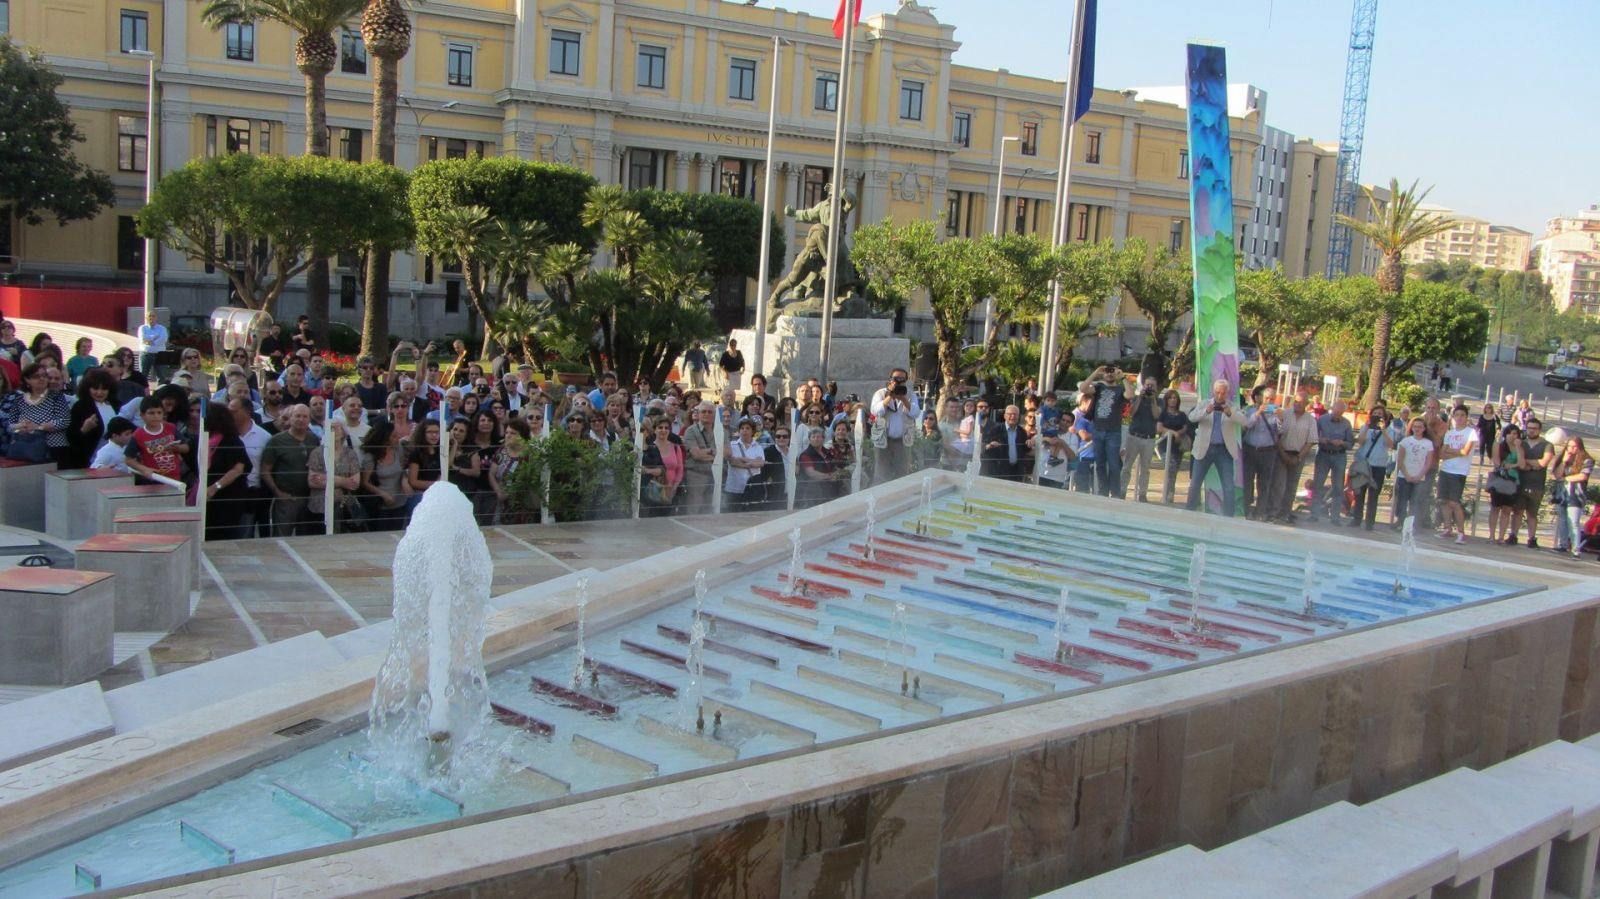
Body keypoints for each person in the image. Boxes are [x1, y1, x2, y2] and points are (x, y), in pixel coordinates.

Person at [1185, 379, 1248, 516]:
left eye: (1223, 393)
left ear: (1227, 393)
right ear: (1214, 392)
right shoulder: (1204, 403)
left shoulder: (1232, 406)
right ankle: (1188, 512)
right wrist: (1206, 412)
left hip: (1224, 451)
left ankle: (1228, 516)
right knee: (1195, 483)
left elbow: (1244, 421)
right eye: (1218, 392)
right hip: (1204, 449)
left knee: (1228, 486)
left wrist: (1230, 413)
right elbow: (1191, 417)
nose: (1220, 396)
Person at [259, 404, 320, 537]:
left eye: (305, 416)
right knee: (281, 539)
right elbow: (265, 470)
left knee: (307, 539)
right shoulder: (276, 441)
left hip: (309, 499)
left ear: (310, 420)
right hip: (287, 499)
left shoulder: (314, 439)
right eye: (297, 416)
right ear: (290, 418)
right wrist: (277, 492)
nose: (301, 419)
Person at [1079, 366, 1134, 498]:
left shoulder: (1120, 389)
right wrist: (1096, 372)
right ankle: (1103, 491)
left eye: (1112, 372)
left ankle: (1115, 493)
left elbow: (1131, 395)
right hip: (1098, 430)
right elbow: (1083, 388)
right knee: (1100, 463)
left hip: (1113, 432)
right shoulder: (1098, 388)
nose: (1110, 374)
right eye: (1107, 372)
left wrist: (1123, 377)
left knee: (1114, 463)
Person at [3, 362, 71, 464]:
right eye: (36, 376)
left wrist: (39, 427)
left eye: (44, 376)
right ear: (27, 380)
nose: (41, 379)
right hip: (26, 450)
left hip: (53, 450)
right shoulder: (19, 400)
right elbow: (10, 426)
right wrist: (21, 426)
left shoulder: (56, 397)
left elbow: (65, 421)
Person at [202, 403, 252, 540]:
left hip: (227, 496)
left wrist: (214, 487)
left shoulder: (232, 441)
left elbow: (238, 469)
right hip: (209, 498)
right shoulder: (205, 439)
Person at [360, 419, 411, 531]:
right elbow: (365, 482)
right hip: (381, 505)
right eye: (393, 436)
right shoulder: (371, 457)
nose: (397, 438)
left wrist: (404, 481)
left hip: (399, 502)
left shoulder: (398, 450)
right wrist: (382, 494)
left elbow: (403, 469)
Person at [1510, 417, 1553, 548]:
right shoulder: (1521, 443)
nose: (1531, 431)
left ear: (1539, 430)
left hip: (1537, 484)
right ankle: (1513, 535)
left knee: (1532, 513)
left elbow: (1543, 463)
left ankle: (1531, 538)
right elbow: (1519, 462)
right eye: (1529, 428)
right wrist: (1532, 463)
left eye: (1534, 428)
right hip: (1520, 482)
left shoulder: (1547, 445)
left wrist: (1527, 461)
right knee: (1517, 511)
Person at [1240, 386, 1282, 520]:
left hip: (1268, 452)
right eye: (1266, 398)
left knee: (1264, 484)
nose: (1269, 401)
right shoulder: (1250, 410)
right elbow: (1247, 425)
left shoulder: (1276, 413)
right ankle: (1246, 510)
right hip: (1250, 449)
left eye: (1272, 399)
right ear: (1260, 398)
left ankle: (1260, 512)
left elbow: (1281, 431)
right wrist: (1258, 413)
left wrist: (1280, 418)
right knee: (1247, 481)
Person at [125, 395, 187, 483]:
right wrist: (144, 469)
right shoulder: (138, 435)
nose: (156, 416)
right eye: (151, 413)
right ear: (142, 415)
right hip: (154, 479)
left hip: (174, 479)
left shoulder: (171, 428)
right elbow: (128, 459)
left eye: (159, 412)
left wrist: (176, 448)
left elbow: (186, 447)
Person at [1309, 400, 1353, 524]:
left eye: (1340, 413)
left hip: (1339, 455)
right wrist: (1322, 440)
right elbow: (1313, 435)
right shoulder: (1322, 420)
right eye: (1335, 411)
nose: (1337, 414)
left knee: (1338, 487)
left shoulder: (1346, 424)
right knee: (1318, 484)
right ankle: (1314, 514)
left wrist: (1342, 443)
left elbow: (1350, 444)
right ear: (1332, 409)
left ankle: (1335, 517)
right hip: (1324, 454)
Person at [65, 368, 118, 469]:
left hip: (114, 458)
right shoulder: (81, 406)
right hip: (89, 460)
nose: (99, 393)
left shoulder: (116, 405)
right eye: (95, 389)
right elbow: (71, 437)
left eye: (104, 389)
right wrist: (84, 429)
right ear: (87, 388)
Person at [1551, 436, 1594, 557]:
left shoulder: (1586, 460)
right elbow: (1556, 474)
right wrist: (1564, 461)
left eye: (1574, 446)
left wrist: (1565, 479)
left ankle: (1576, 548)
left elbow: (1582, 476)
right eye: (1569, 446)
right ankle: (1562, 545)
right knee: (1563, 520)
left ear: (1580, 447)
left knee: (1573, 521)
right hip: (1562, 494)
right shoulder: (1564, 458)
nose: (1571, 449)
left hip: (1576, 495)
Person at [870, 377, 917, 484]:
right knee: (881, 474)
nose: (899, 384)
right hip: (883, 441)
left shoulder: (910, 395)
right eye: (897, 381)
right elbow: (876, 412)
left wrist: (904, 399)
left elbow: (915, 413)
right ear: (890, 381)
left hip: (902, 441)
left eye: (902, 381)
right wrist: (890, 396)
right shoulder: (880, 394)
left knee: (902, 473)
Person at [1123, 378, 1160, 502]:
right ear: (1143, 386)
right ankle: (1122, 490)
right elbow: (1131, 413)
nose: (1149, 387)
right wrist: (1140, 397)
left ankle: (1142, 494)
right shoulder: (1137, 397)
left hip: (1148, 439)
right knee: (1127, 466)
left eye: (1152, 385)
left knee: (1145, 469)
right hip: (1134, 436)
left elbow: (1156, 415)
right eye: (1147, 385)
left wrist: (1153, 399)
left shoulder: (1159, 401)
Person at [641, 418, 687, 517]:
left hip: (671, 491)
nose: (663, 430)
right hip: (654, 491)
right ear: (654, 430)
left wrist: (674, 488)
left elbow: (680, 469)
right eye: (660, 427)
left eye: (666, 428)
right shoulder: (650, 448)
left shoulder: (675, 447)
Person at [1392, 417, 1433, 528]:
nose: (1417, 429)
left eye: (1420, 427)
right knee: (1402, 500)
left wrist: (1419, 476)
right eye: (1415, 426)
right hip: (1404, 476)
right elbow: (1400, 460)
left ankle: (1411, 525)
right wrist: (1407, 475)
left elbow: (1428, 463)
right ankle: (1400, 521)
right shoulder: (1405, 441)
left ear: (1424, 428)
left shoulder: (1428, 443)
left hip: (1419, 478)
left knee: (1415, 502)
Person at [1488, 425, 1524, 545]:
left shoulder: (1518, 447)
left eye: (1516, 434)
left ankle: (1501, 536)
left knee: (1507, 510)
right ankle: (1492, 535)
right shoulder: (1498, 445)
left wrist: (1518, 448)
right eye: (1511, 433)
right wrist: (1510, 465)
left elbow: (1522, 464)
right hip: (1500, 479)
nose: (1514, 436)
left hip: (1513, 480)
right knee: (1495, 508)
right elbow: (1497, 462)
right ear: (1506, 434)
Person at [1156, 389, 1191, 505]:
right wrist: (1172, 432)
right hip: (1165, 445)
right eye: (1170, 398)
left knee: (1174, 470)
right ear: (1167, 400)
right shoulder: (1163, 413)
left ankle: (1170, 494)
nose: (1173, 400)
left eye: (1175, 398)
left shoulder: (1181, 415)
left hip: (1177, 446)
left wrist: (1179, 433)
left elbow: (1185, 427)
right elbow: (1159, 428)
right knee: (1169, 467)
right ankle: (1166, 494)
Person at [796, 426, 844, 507]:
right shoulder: (805, 455)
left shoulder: (828, 452)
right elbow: (812, 473)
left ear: (823, 438)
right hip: (813, 493)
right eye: (813, 437)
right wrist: (830, 476)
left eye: (818, 437)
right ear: (809, 439)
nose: (816, 439)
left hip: (830, 489)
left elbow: (836, 466)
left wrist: (838, 473)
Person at [981, 404, 1030, 481]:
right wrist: (989, 445)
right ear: (1004, 416)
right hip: (999, 472)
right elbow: (983, 445)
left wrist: (1029, 444)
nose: (1013, 417)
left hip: (1016, 472)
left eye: (1015, 414)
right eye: (1010, 414)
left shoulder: (1022, 431)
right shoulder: (995, 430)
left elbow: (1024, 450)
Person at [725, 417, 765, 509]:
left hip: (752, 488)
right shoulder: (732, 445)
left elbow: (760, 463)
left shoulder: (758, 447)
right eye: (742, 428)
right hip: (734, 487)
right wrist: (751, 462)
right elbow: (732, 462)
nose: (744, 431)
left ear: (752, 431)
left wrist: (742, 459)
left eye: (747, 428)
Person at [136, 311, 169, 378]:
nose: (151, 317)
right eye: (149, 316)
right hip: (146, 354)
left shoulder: (162, 328)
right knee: (143, 375)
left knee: (162, 376)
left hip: (160, 354)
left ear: (156, 318)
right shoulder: (142, 328)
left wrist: (150, 341)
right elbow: (143, 340)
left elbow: (163, 339)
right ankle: (143, 388)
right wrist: (155, 337)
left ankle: (161, 388)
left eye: (153, 316)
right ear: (146, 318)